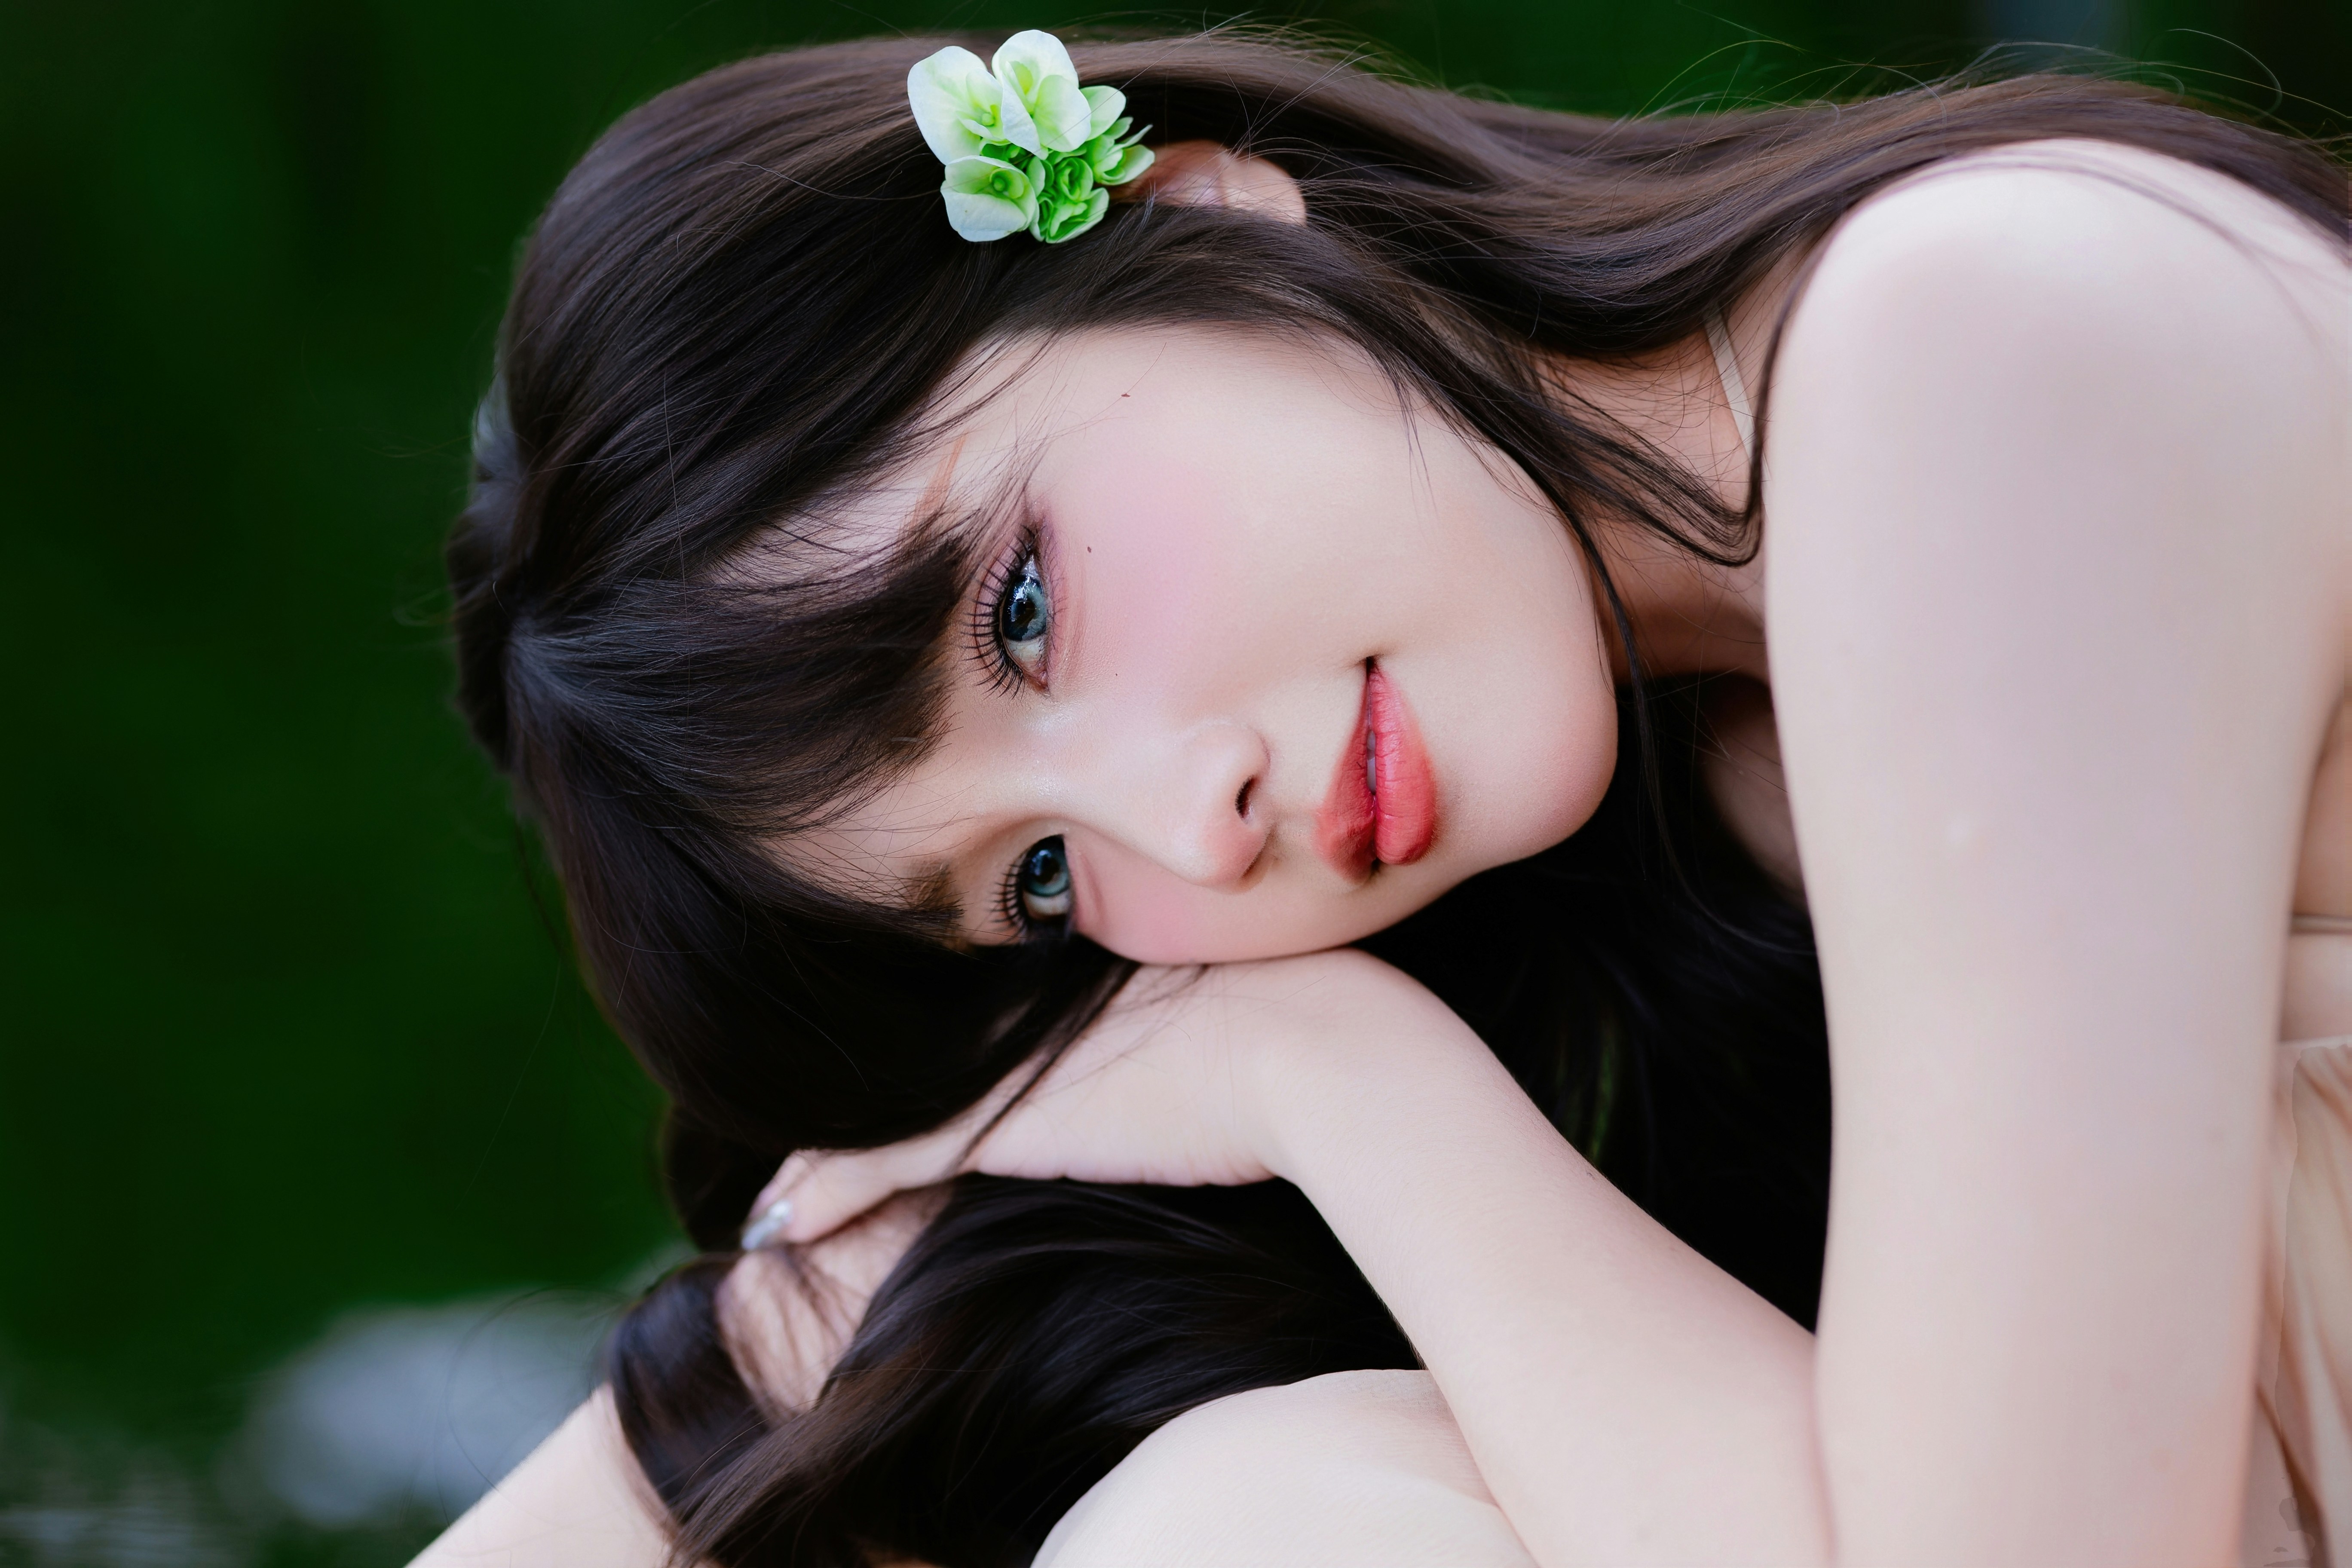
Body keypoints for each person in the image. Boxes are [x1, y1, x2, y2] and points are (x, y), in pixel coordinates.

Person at [415, 28, 2351, 1568]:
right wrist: (775, 1330)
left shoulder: (1990, 348)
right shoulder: (1713, 765)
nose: (1192, 828)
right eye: (1036, 881)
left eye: (1021, 614)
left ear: (1205, 215)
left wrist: (1337, 1083)